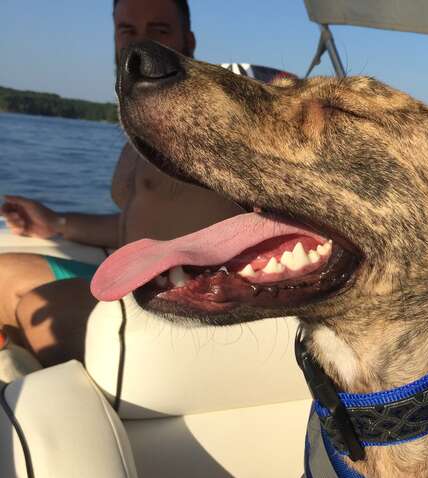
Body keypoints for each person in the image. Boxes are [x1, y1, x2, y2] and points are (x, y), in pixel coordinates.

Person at [0, 0, 290, 368]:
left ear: (188, 40)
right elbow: (135, 226)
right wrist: (56, 223)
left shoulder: (216, 131)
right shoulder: (141, 120)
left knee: (41, 309)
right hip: (127, 272)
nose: (139, 43)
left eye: (159, 30)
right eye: (127, 31)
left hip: (175, 292)